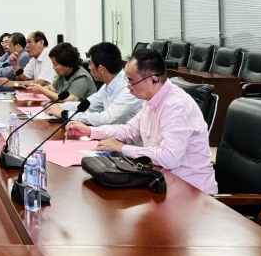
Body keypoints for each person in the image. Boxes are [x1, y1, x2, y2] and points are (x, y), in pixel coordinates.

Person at [68, 49, 217, 194]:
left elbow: (169, 158)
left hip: (191, 192)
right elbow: (130, 131)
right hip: (160, 180)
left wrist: (122, 148)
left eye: (131, 81)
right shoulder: (152, 99)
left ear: (153, 80)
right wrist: (91, 131)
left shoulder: (176, 106)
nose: (128, 87)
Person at [46, 42, 143, 125]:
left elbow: (106, 118)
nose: (88, 67)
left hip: (125, 140)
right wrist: (59, 106)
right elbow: (88, 105)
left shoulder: (129, 88)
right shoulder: (108, 85)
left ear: (101, 69)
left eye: (90, 63)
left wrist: (65, 114)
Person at [22, 42, 96, 103]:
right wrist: (35, 89)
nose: (53, 68)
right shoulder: (63, 74)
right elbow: (51, 88)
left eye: (55, 64)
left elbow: (69, 100)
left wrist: (42, 90)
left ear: (67, 64)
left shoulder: (82, 77)